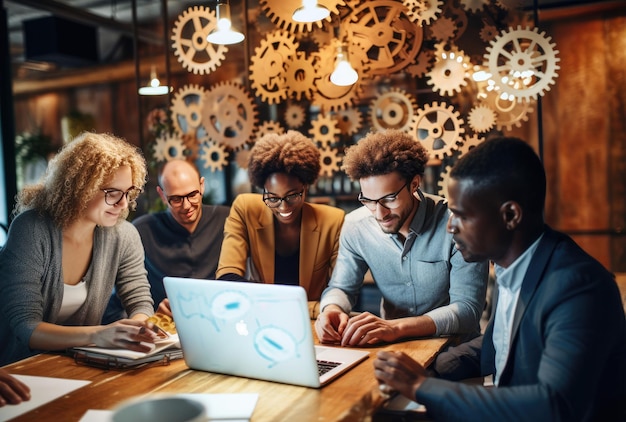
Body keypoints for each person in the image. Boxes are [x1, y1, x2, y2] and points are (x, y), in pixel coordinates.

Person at [373, 137, 626, 421]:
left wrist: (421, 385)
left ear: (510, 215)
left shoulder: (579, 287)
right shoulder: (514, 265)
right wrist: (429, 367)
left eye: (460, 215)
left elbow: (554, 406)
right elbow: (497, 344)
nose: (450, 227)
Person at [315, 129, 489, 346]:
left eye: (389, 199)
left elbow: (468, 310)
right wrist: (331, 309)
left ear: (414, 184)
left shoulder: (456, 224)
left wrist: (395, 327)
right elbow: (341, 287)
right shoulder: (356, 226)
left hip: (454, 349)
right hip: (392, 346)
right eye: (368, 200)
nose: (379, 213)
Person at [0, 132, 159, 366]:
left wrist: (139, 327)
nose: (124, 204)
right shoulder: (31, 230)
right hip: (20, 368)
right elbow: (26, 327)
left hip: (80, 364)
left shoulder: (123, 235)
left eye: (128, 193)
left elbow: (140, 300)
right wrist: (98, 335)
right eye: (112, 193)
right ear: (81, 188)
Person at [216, 130, 345, 317]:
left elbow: (339, 292)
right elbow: (228, 278)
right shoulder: (245, 209)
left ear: (306, 187)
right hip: (262, 319)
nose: (284, 206)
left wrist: (262, 302)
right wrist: (313, 308)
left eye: (293, 195)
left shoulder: (333, 221)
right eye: (273, 197)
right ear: (263, 189)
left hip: (312, 326)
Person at [103, 159, 230, 322]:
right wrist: (150, 318)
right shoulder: (142, 231)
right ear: (162, 195)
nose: (186, 206)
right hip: (165, 332)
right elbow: (114, 306)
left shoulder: (228, 220)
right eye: (176, 199)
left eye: (192, 195)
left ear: (202, 186)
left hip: (223, 320)